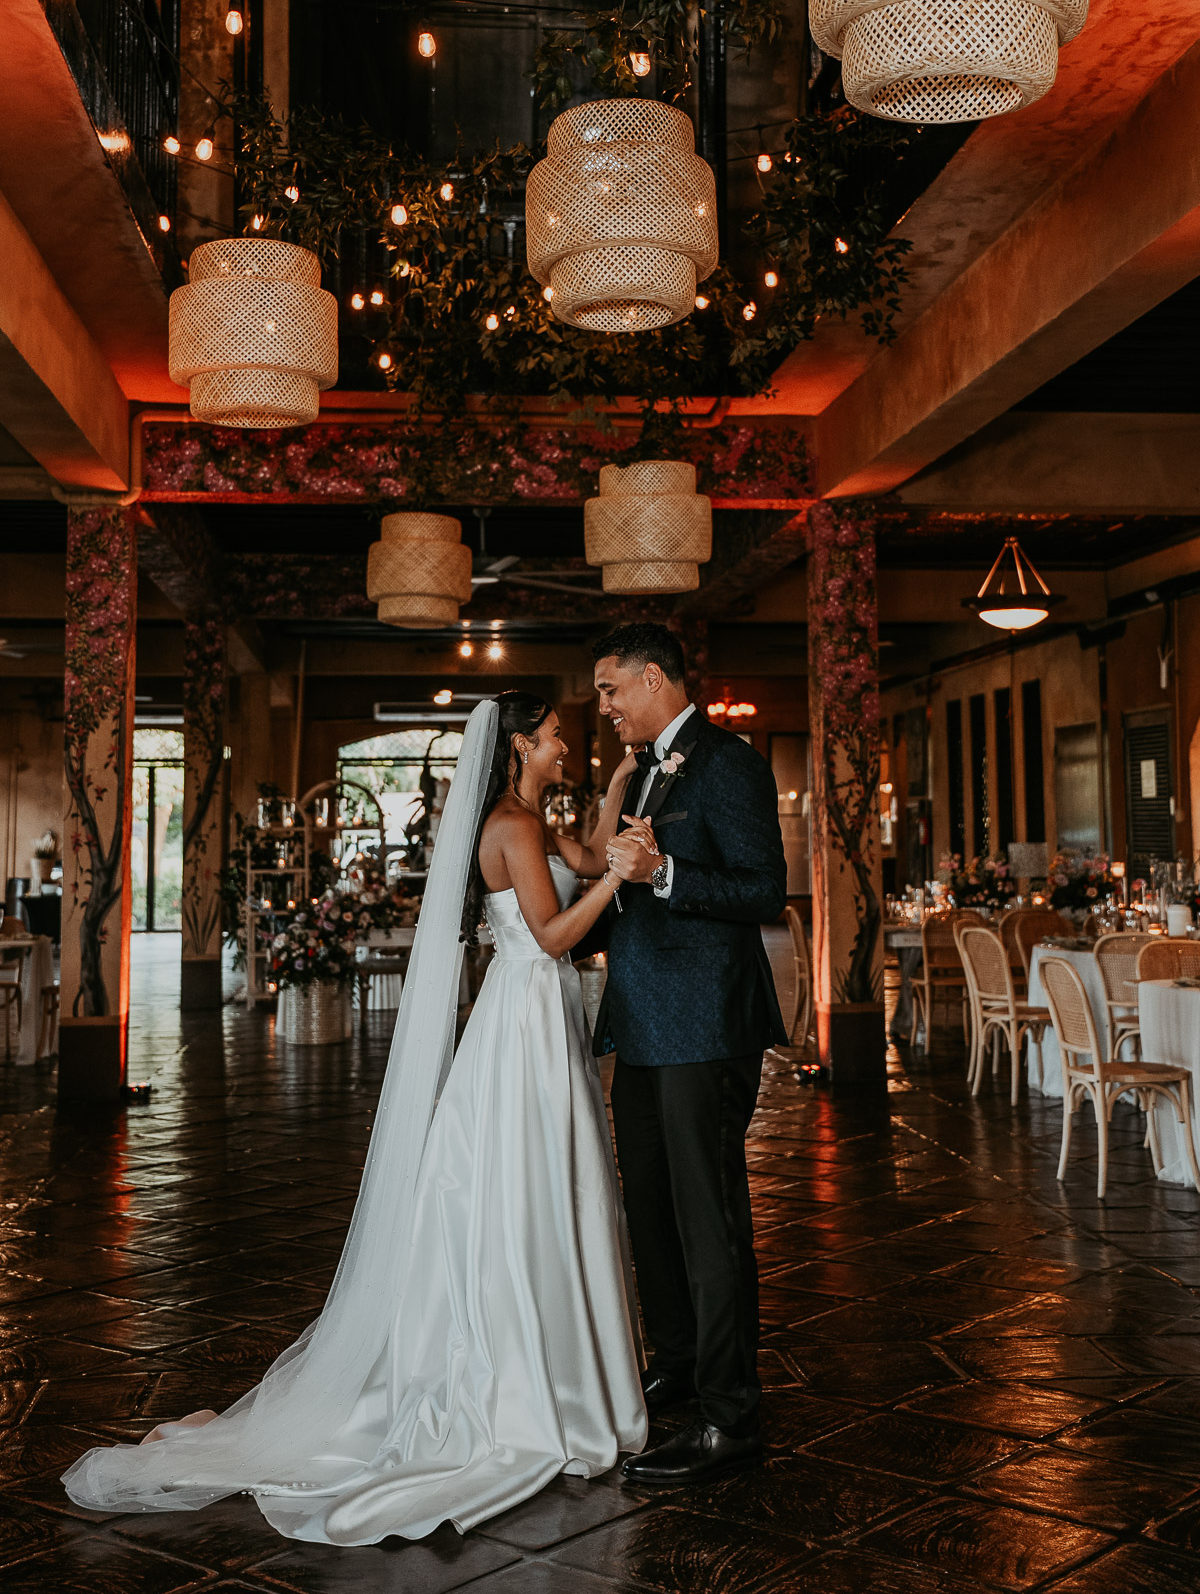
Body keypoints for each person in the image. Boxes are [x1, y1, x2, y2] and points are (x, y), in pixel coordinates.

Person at [63, 694, 647, 1545]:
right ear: (523, 741)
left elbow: (590, 853)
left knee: (544, 1184)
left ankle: (554, 1367)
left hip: (538, 1018)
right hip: (523, 1015)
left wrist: (622, 787)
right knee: (521, 1186)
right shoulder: (511, 824)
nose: (570, 744)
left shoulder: (535, 817)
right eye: (559, 733)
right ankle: (527, 1380)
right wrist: (623, 882)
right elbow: (554, 934)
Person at [593, 622, 787, 1488]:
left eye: (611, 690)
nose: (604, 708)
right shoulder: (640, 770)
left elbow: (762, 889)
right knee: (652, 1208)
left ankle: (730, 1414)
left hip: (705, 1026)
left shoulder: (728, 762)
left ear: (657, 679)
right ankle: (675, 1362)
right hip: (640, 1024)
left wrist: (665, 873)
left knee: (709, 1218)